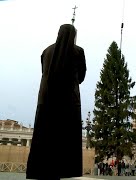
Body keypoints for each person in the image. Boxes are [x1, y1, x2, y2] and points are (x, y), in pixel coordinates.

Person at [26, 24, 86, 180]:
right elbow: (81, 77)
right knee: (65, 138)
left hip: (46, 100)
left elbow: (44, 72)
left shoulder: (46, 51)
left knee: (44, 136)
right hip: (68, 102)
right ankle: (63, 170)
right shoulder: (78, 51)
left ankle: (41, 171)